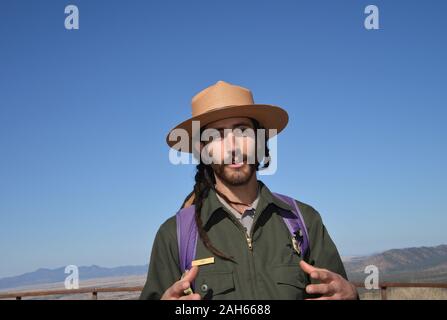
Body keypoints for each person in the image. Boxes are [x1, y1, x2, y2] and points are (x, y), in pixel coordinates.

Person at [140, 80, 357, 300]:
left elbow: (336, 291)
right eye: (216, 136)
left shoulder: (304, 220)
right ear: (203, 151)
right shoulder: (174, 235)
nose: (232, 146)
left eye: (243, 131)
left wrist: (351, 295)